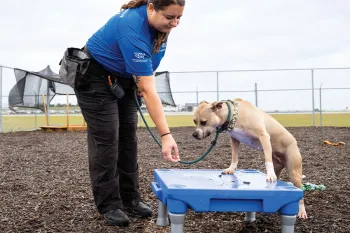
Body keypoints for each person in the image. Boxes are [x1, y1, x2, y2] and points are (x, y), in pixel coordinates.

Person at [73, 0, 185, 227]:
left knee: (128, 137)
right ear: (152, 8)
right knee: (107, 138)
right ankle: (109, 204)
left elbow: (147, 73)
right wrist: (165, 135)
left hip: (123, 79)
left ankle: (130, 197)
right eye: (169, 17)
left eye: (178, 18)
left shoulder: (160, 27)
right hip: (94, 76)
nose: (174, 23)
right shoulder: (133, 27)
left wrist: (139, 80)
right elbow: (148, 88)